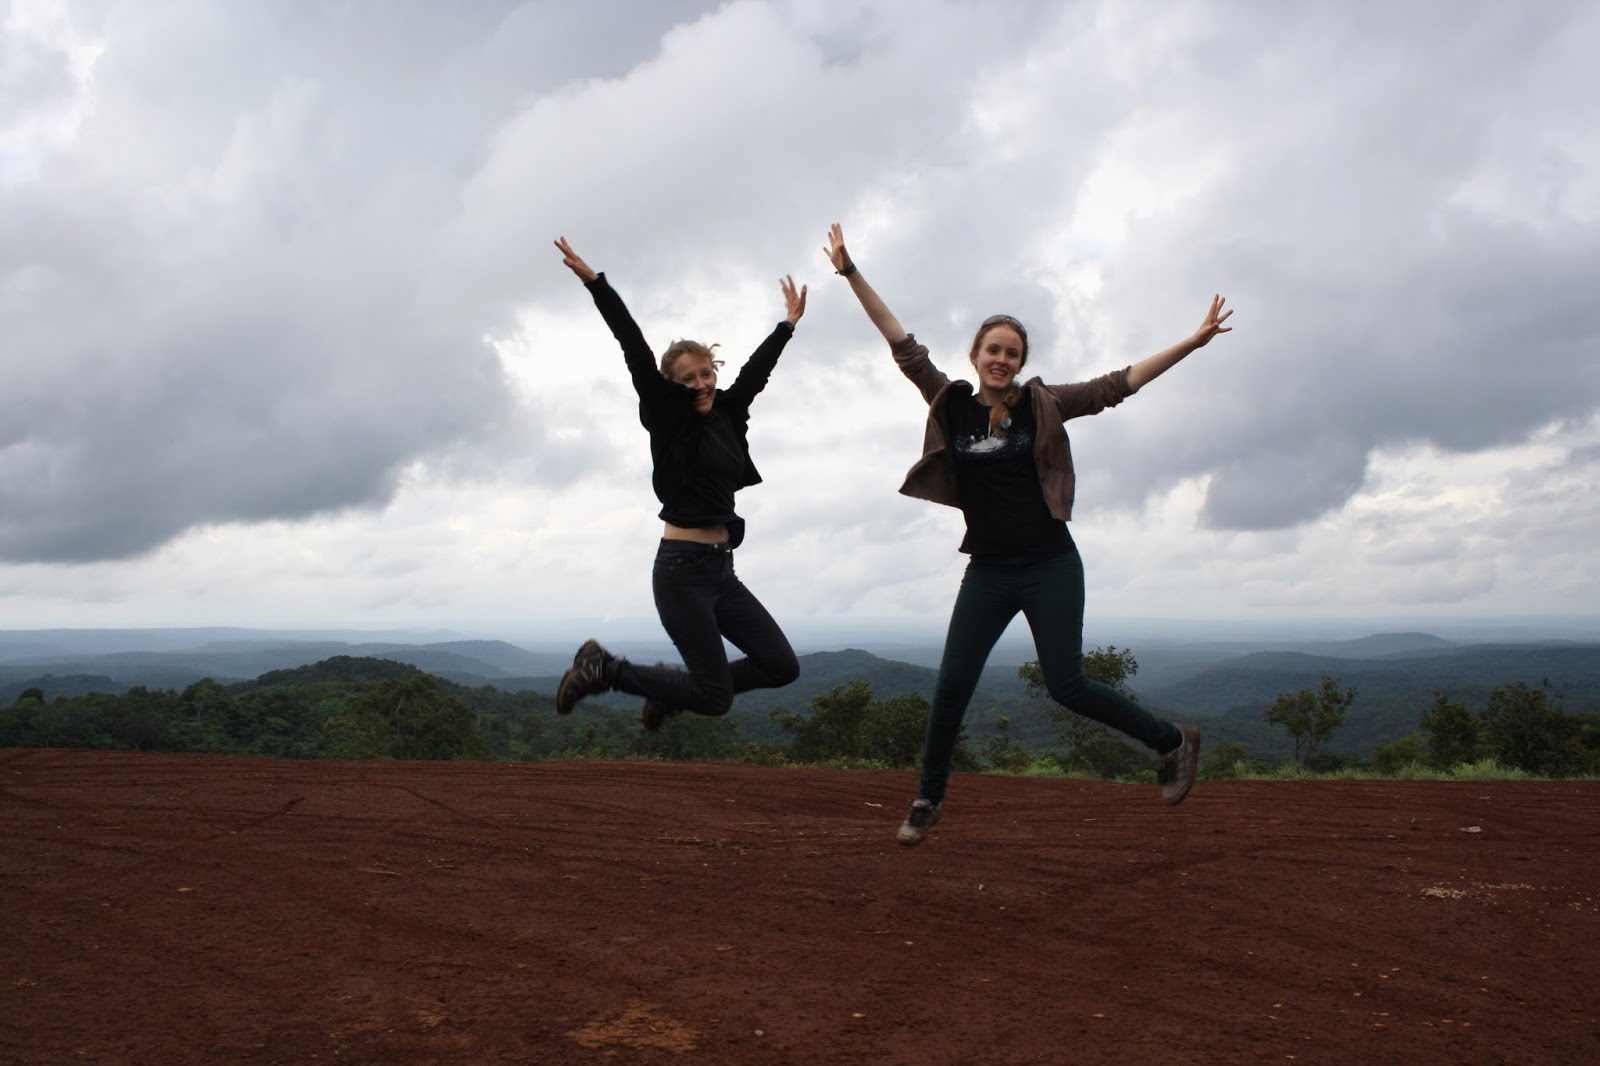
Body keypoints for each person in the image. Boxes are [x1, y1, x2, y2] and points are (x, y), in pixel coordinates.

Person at [823, 223, 1231, 846]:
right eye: (993, 349)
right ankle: (928, 798)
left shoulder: (1044, 404)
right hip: (988, 569)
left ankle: (1171, 741)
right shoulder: (950, 402)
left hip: (1049, 564)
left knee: (1067, 685)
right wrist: (851, 273)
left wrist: (1192, 344)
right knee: (951, 686)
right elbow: (898, 339)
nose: (1001, 358)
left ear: (1021, 363)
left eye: (1012, 352)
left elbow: (1118, 385)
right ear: (975, 356)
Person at [551, 237, 805, 731]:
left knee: (782, 666)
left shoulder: (728, 412)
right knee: (714, 699)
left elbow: (756, 372)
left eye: (706, 373)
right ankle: (604, 670)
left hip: (722, 572)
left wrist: (787, 325)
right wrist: (597, 285)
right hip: (681, 573)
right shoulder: (667, 418)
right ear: (672, 385)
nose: (701, 384)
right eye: (688, 379)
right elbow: (634, 346)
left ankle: (669, 690)